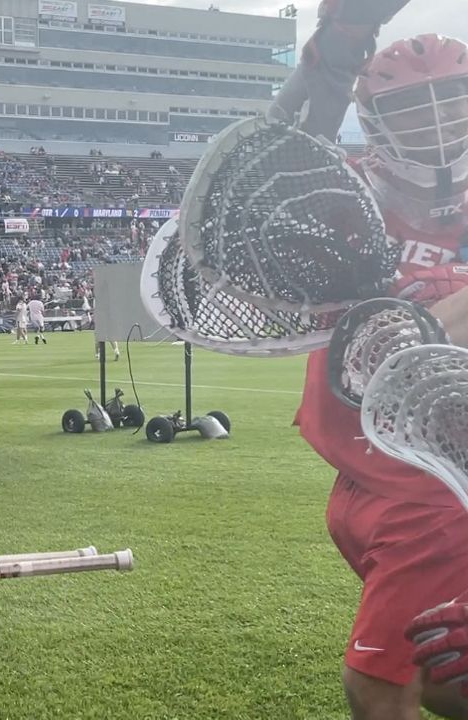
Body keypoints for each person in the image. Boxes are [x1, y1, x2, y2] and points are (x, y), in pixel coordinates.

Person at [295, 34, 468, 720]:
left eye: (450, 100)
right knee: (418, 674)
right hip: (383, 470)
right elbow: (274, 168)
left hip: (435, 481)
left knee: (411, 679)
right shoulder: (345, 190)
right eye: (414, 106)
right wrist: (320, 80)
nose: (437, 121)